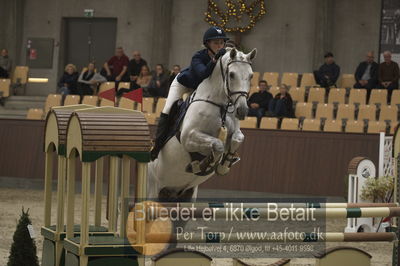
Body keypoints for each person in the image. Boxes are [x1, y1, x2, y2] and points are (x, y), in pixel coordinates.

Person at [151, 26, 229, 160]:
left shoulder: (223, 57)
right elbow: (203, 74)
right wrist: (215, 60)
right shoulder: (198, 56)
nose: (219, 46)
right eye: (216, 43)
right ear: (207, 44)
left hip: (201, 89)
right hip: (184, 83)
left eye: (222, 42)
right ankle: (156, 146)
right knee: (168, 108)